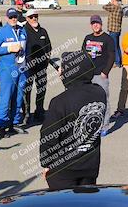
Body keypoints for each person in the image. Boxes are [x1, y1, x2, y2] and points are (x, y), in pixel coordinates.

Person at [40, 50, 106, 190]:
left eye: (63, 69)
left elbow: (49, 137)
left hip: (63, 170)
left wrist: (46, 164)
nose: (60, 72)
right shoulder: (100, 93)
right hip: (90, 165)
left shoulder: (59, 102)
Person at [0, 8, 28, 138]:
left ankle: (13, 124)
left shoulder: (23, 31)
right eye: (11, 17)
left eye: (15, 16)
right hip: (8, 70)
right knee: (5, 98)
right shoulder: (1, 32)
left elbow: (27, 49)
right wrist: (8, 48)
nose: (13, 19)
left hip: (22, 69)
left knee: (18, 98)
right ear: (6, 18)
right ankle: (1, 126)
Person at [82, 15, 115, 136]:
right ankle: (92, 124)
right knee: (90, 101)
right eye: (93, 23)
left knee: (103, 100)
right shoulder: (87, 38)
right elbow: (83, 55)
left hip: (101, 75)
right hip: (88, 75)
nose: (95, 25)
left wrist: (105, 72)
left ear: (101, 24)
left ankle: (105, 126)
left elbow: (112, 57)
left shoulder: (107, 39)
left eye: (97, 23)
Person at [23, 9, 52, 123]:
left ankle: (39, 112)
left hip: (41, 67)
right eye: (31, 17)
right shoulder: (23, 31)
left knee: (41, 90)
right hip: (28, 68)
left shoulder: (43, 31)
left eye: (36, 16)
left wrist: (46, 59)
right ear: (27, 18)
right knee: (27, 91)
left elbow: (49, 47)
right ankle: (27, 114)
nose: (34, 18)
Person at [103, 0, 123, 67]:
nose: (111, 1)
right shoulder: (120, 8)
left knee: (114, 47)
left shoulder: (113, 7)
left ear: (114, 1)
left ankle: (117, 62)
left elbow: (104, 7)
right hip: (118, 29)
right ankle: (119, 61)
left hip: (113, 30)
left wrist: (110, 2)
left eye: (112, 0)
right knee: (117, 46)